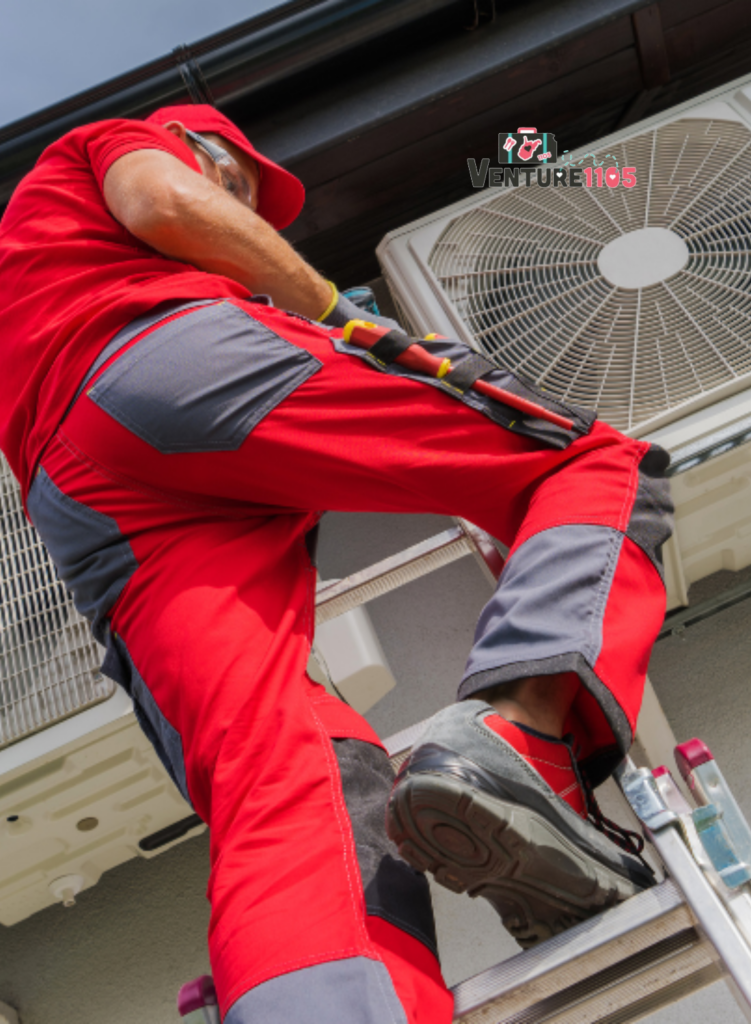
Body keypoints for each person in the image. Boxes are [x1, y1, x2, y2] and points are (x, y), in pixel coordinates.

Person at [0, 104, 672, 1023]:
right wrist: (335, 314)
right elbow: (161, 203)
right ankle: (525, 745)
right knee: (589, 462)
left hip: (80, 497)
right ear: (201, 150)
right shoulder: (116, 143)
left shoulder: (29, 270)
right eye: (237, 187)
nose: (246, 217)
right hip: (159, 354)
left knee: (288, 762)